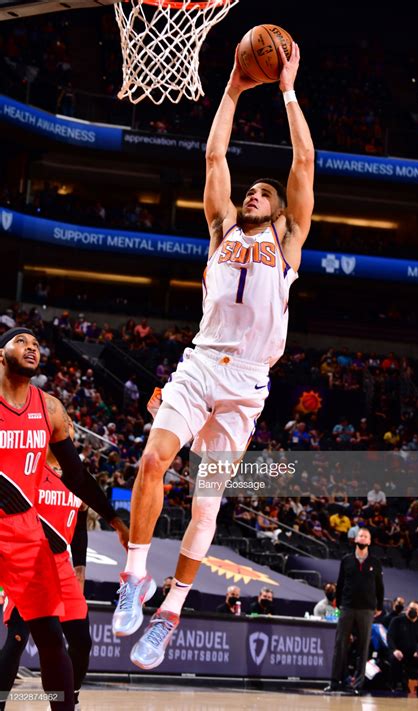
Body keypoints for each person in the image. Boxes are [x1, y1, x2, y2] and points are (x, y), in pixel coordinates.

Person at [112, 38, 314, 671]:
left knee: (205, 501)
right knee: (152, 462)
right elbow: (214, 153)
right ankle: (135, 579)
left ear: (282, 211)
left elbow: (304, 158)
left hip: (249, 381)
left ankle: (170, 613)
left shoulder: (289, 241)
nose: (252, 193)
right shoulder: (222, 229)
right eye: (248, 191)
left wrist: (285, 90)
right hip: (202, 362)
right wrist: (231, 84)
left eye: (263, 192)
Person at [0, 327, 129, 710]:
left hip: (23, 534)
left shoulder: (50, 408)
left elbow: (75, 475)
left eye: (36, 345)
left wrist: (113, 516)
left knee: (53, 640)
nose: (31, 348)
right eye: (20, 342)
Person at [0, 419, 117, 711]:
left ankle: (69, 700)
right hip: (30, 562)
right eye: (62, 423)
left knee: (82, 641)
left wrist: (81, 568)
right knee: (16, 642)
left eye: (69, 424)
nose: (66, 426)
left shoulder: (76, 479)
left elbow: (78, 527)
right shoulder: (33, 469)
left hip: (63, 566)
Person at [324, 528, 384, 695]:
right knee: (340, 645)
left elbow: (379, 587)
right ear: (355, 539)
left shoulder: (375, 563)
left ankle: (358, 685)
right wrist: (339, 604)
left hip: (367, 609)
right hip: (347, 607)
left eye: (366, 536)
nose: (363, 538)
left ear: (369, 542)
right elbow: (340, 582)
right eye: (360, 535)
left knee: (363, 646)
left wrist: (379, 606)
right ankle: (335, 682)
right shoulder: (347, 560)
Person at [386, 600, 418, 695]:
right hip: (398, 651)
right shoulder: (396, 620)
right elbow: (390, 637)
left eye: (415, 609)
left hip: (414, 654)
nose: (413, 611)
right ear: (407, 609)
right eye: (411, 608)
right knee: (395, 658)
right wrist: (394, 650)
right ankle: (397, 683)